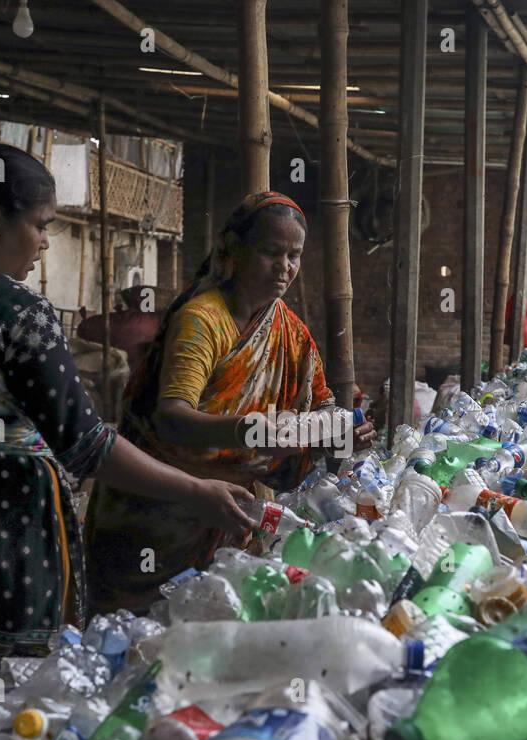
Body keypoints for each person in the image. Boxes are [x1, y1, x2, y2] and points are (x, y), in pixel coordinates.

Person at [0, 143, 254, 709]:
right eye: (40, 226)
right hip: (3, 538)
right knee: (0, 719)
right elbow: (87, 445)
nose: (45, 243)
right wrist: (195, 489)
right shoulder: (16, 310)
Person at [86, 190, 375, 613]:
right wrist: (246, 429)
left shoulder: (288, 330)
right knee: (138, 637)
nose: (285, 267)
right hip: (158, 510)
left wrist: (344, 434)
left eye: (294, 255)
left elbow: (321, 405)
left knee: (208, 629)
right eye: (270, 252)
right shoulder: (202, 320)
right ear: (234, 251)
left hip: (228, 515)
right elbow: (172, 417)